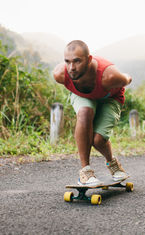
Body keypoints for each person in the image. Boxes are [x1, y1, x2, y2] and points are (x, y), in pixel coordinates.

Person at [53, 40, 132, 186]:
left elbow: (127, 79)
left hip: (110, 98)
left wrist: (125, 76)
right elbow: (67, 71)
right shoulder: (60, 75)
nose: (72, 68)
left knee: (98, 140)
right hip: (83, 95)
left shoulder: (110, 76)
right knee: (85, 112)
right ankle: (86, 172)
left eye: (77, 62)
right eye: (67, 62)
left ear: (89, 60)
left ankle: (112, 163)